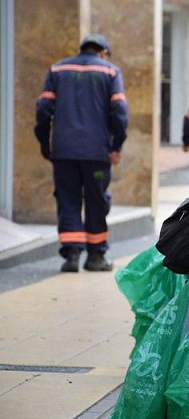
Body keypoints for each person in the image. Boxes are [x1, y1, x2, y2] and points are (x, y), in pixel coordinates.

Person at [34, 33, 129, 273]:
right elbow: (120, 111)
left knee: (68, 200)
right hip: (97, 152)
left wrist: (46, 144)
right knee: (97, 201)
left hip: (64, 150)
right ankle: (96, 257)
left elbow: (43, 109)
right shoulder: (110, 72)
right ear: (103, 52)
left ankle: (72, 255)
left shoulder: (57, 70)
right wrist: (116, 146)